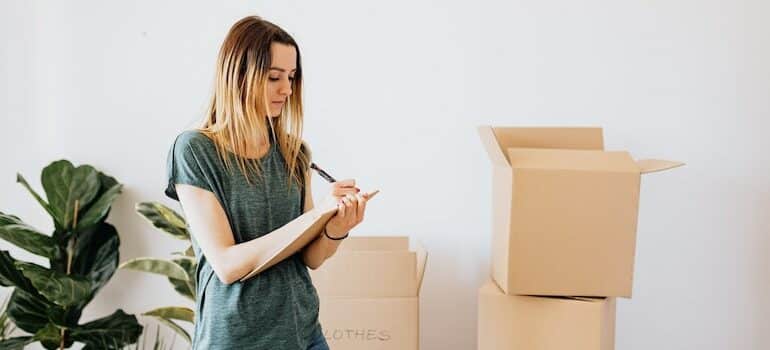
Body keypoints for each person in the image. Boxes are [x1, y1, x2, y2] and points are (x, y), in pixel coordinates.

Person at [164, 15, 371, 350]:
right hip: (235, 340)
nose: (287, 89)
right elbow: (228, 266)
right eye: (274, 77)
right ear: (238, 75)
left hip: (304, 334)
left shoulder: (295, 152)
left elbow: (310, 258)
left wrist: (336, 226)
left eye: (291, 77)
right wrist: (315, 217)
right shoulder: (194, 150)